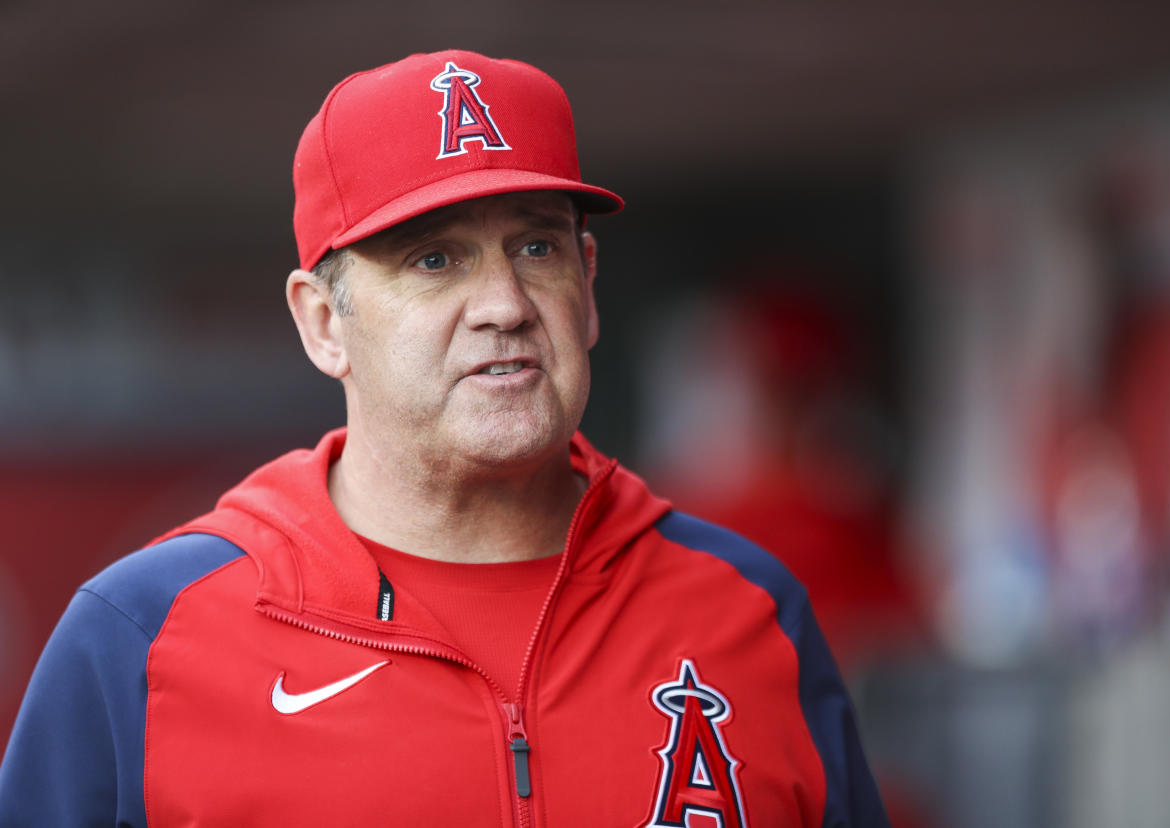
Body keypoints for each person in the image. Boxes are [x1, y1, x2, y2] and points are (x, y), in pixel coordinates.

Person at [0, 50, 889, 827]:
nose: (504, 305)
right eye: (436, 259)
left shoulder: (752, 610)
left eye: (537, 248)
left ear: (587, 283)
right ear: (323, 324)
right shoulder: (143, 635)